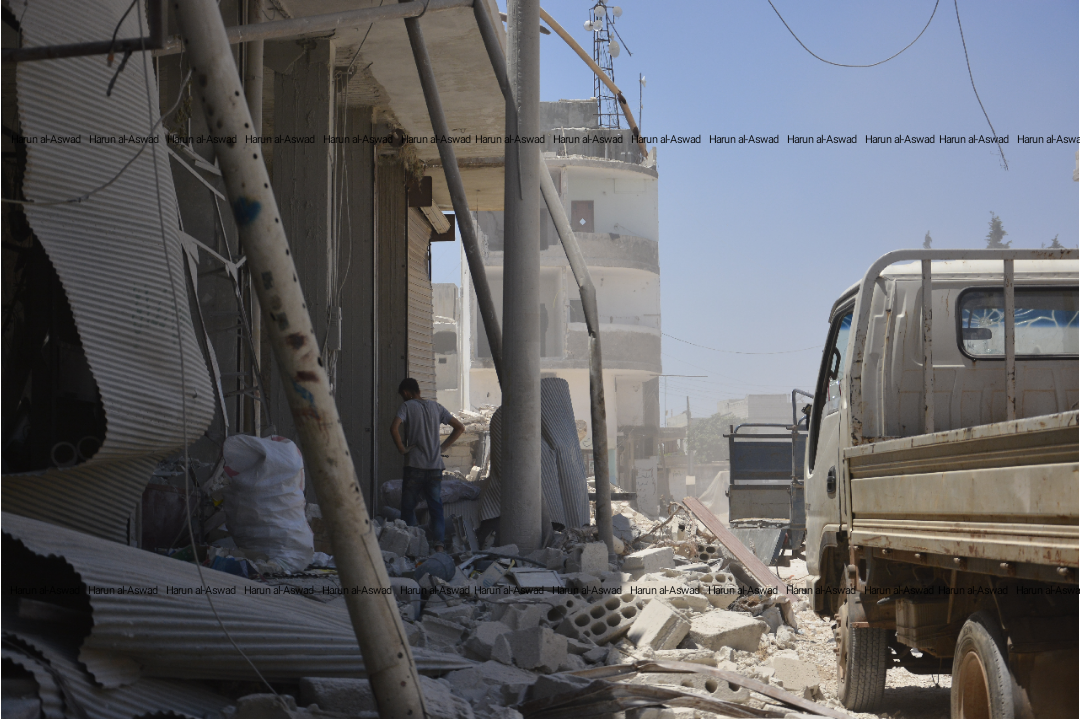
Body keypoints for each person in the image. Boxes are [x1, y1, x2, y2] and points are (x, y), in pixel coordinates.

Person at [389, 378, 464, 552]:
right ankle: (439, 547)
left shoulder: (407, 406)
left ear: (406, 392)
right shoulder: (436, 407)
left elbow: (393, 428)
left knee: (408, 507)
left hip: (414, 466)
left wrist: (402, 449)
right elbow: (460, 427)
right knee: (435, 507)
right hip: (435, 467)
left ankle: (411, 546)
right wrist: (442, 448)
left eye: (402, 395)